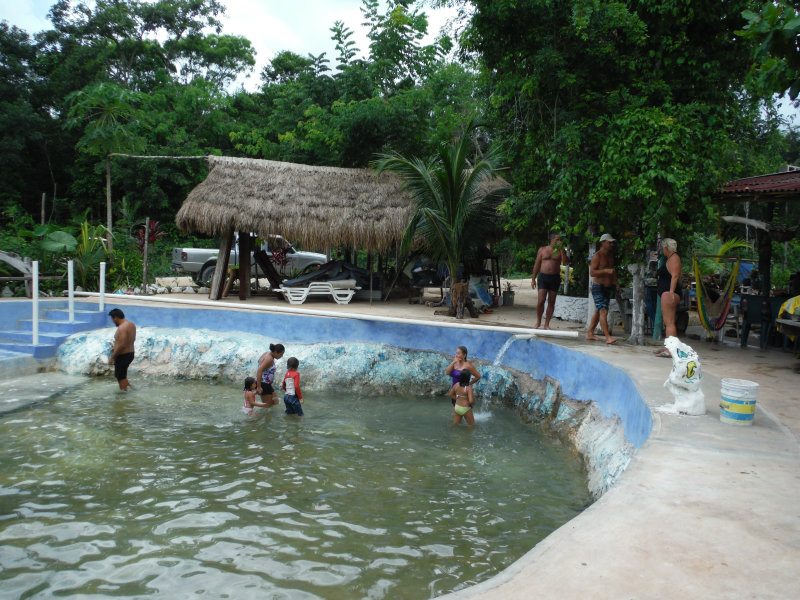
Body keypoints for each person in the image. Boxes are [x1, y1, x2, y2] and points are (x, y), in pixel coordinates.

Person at [531, 232, 570, 329]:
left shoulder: (560, 251)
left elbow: (565, 262)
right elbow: (537, 264)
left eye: (560, 240)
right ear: (552, 240)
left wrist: (562, 250)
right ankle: (538, 321)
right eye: (557, 240)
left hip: (554, 278)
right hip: (543, 277)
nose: (559, 241)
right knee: (541, 301)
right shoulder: (543, 249)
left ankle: (547, 324)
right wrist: (533, 279)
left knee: (551, 302)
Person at [586, 233, 618, 345]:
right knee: (603, 311)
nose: (611, 244)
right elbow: (592, 272)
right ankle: (608, 337)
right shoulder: (597, 256)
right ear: (603, 242)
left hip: (607, 288)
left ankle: (590, 332)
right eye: (609, 242)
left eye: (612, 242)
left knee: (599, 311)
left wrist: (616, 284)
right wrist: (605, 271)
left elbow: (612, 271)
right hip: (598, 287)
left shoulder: (610, 256)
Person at [655, 238, 682, 357]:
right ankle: (669, 347)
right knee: (668, 323)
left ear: (666, 247)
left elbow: (675, 275)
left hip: (669, 294)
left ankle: (671, 349)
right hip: (666, 293)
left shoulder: (674, 258)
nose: (662, 250)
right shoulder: (670, 258)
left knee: (669, 322)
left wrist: (671, 293)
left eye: (662, 248)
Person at [108, 308, 136, 390]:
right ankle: (131, 391)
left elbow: (122, 344)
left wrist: (113, 357)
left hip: (123, 355)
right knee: (122, 375)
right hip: (130, 353)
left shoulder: (122, 328)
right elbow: (132, 339)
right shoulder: (131, 324)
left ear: (115, 317)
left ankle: (124, 396)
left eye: (112, 319)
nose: (113, 321)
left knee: (120, 377)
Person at [256, 343, 286, 407]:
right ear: (275, 352)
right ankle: (251, 407)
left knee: (275, 401)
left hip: (266, 384)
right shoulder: (269, 359)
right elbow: (259, 370)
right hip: (264, 384)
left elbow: (259, 362)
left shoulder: (267, 353)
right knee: (268, 406)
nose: (282, 356)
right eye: (281, 354)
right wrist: (258, 387)